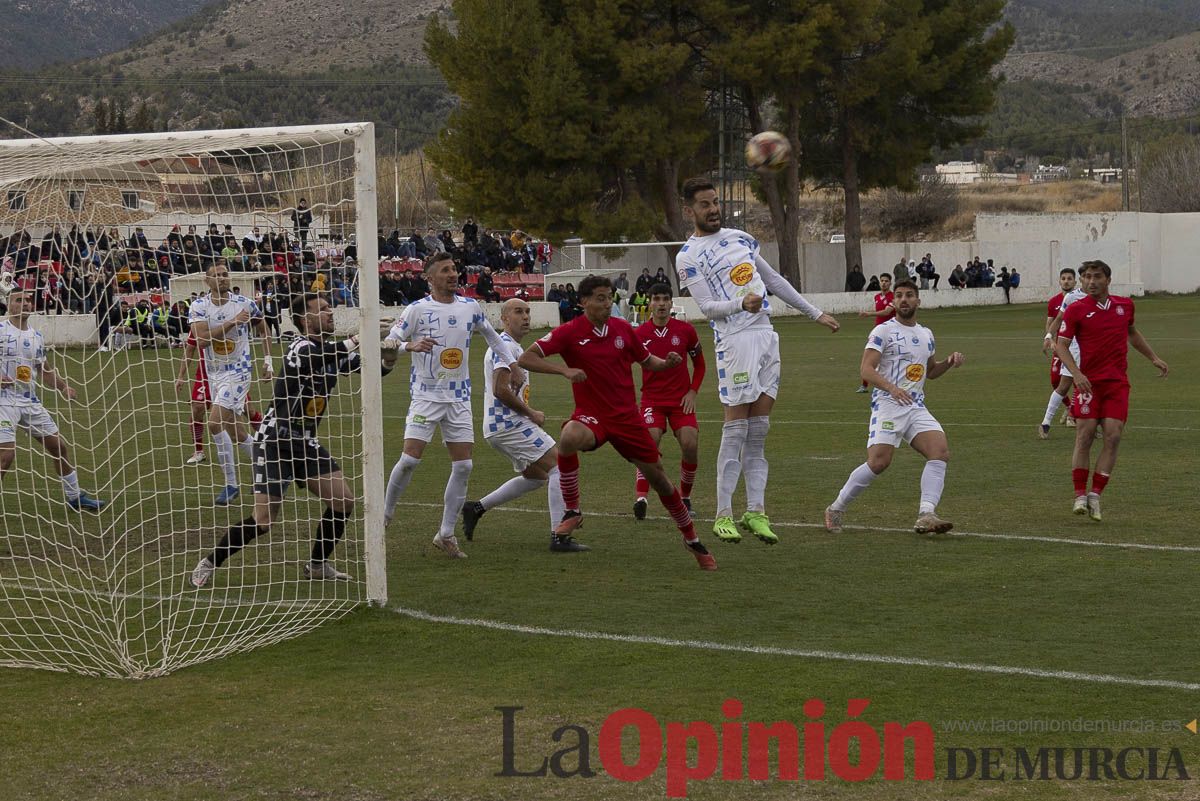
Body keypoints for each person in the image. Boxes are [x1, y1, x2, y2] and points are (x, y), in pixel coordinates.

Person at [191, 294, 398, 588]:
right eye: (322, 309)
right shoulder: (300, 347)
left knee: (344, 502)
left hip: (305, 442)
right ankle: (210, 561)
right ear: (305, 319)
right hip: (275, 440)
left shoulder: (330, 351)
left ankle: (316, 564)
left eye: (329, 308)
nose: (330, 313)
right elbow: (320, 357)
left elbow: (370, 369)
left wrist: (391, 354)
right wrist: (360, 336)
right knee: (263, 521)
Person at [675, 177, 840, 544]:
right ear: (690, 211)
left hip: (766, 336)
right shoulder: (688, 256)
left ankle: (756, 511)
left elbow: (775, 281)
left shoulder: (739, 238)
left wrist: (814, 313)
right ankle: (722, 515)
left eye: (715, 202)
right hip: (735, 341)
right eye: (704, 204)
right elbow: (706, 308)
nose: (714, 209)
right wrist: (740, 303)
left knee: (759, 430)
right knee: (735, 428)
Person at [517, 275, 717, 570]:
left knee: (660, 480)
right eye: (600, 298)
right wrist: (564, 370)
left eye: (610, 297)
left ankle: (691, 539)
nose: (607, 303)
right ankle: (572, 510)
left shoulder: (624, 329)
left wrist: (668, 364)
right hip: (593, 415)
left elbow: (648, 361)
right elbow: (526, 357)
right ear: (583, 302)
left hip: (627, 418)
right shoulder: (570, 332)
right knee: (569, 436)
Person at [381, 252, 518, 559]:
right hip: (425, 395)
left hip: (458, 397)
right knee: (410, 460)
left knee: (464, 465)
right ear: (429, 278)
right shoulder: (417, 309)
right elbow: (389, 341)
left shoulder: (470, 306)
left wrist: (514, 365)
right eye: (445, 270)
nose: (453, 274)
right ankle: (385, 516)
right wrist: (409, 345)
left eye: (454, 269)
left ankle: (445, 533)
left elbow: (494, 339)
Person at [824, 280, 964, 535]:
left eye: (909, 295)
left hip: (915, 405)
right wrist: (891, 388)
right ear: (893, 302)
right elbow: (866, 369)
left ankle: (926, 514)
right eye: (899, 296)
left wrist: (949, 362)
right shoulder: (883, 332)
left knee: (940, 452)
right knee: (879, 462)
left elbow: (930, 372)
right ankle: (836, 507)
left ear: (918, 301)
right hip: (888, 404)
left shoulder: (926, 334)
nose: (904, 300)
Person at [1054, 260, 1168, 521]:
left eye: (1096, 277)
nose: (1090, 282)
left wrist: (1153, 357)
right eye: (1086, 277)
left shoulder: (1124, 305)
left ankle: (1095, 495)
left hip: (1117, 383)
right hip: (1088, 383)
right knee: (1084, 436)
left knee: (1113, 436)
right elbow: (1061, 346)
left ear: (1107, 279)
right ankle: (1079, 495)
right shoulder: (1076, 309)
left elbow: (1132, 332)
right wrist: (1078, 373)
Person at [460, 299, 579, 550]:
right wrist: (531, 413)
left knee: (536, 477)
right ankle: (559, 536)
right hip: (507, 424)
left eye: (527, 312)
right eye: (518, 312)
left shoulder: (511, 347)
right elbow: (500, 389)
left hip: (503, 426)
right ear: (504, 319)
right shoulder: (503, 347)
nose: (525, 316)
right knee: (559, 467)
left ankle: (476, 508)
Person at [0, 289, 106, 512]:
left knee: (58, 446)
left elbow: (45, 371)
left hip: (29, 400)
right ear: (9, 305)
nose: (26, 304)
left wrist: (64, 386)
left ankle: (75, 497)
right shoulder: (1, 330)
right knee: (6, 455)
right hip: (4, 401)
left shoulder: (36, 336)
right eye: (19, 300)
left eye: (28, 300)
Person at [188, 261, 274, 506]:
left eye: (225, 274)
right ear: (207, 281)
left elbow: (263, 329)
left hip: (239, 371)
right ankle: (268, 470)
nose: (222, 278)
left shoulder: (245, 303)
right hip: (214, 373)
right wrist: (233, 322)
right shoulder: (198, 306)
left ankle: (231, 485)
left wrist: (267, 361)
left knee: (214, 423)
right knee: (236, 432)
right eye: (216, 275)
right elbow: (202, 340)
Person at [631, 283, 704, 519]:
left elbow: (700, 364)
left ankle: (684, 498)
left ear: (671, 303)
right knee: (649, 443)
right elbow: (622, 365)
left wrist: (692, 392)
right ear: (649, 303)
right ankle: (641, 498)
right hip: (652, 400)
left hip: (680, 400)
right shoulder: (639, 334)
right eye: (656, 299)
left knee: (690, 444)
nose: (661, 303)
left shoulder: (686, 330)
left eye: (665, 299)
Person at [1038, 267, 1079, 437]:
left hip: (1088, 347)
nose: (1067, 281)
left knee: (1084, 385)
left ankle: (1075, 417)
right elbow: (1056, 320)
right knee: (1061, 384)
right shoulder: (1069, 298)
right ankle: (1047, 422)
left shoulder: (1093, 297)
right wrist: (1049, 337)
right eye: (1064, 278)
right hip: (1069, 346)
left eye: (1070, 278)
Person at [856, 272, 895, 392]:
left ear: (890, 283)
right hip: (878, 332)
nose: (883, 283)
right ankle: (864, 385)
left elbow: (886, 312)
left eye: (886, 281)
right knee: (870, 358)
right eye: (882, 281)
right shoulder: (877, 297)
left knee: (888, 359)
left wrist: (868, 313)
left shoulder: (894, 297)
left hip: (891, 332)